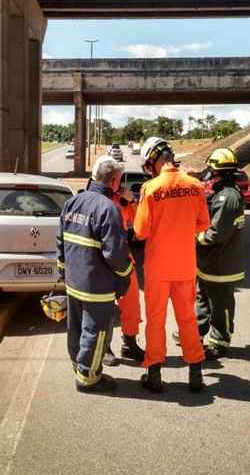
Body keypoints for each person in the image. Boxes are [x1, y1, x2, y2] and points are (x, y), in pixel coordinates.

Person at [134, 137, 210, 393]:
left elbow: (141, 231)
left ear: (155, 161)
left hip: (158, 268)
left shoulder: (151, 188)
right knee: (187, 319)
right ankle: (196, 372)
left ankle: (154, 374)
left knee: (156, 320)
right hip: (186, 265)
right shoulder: (195, 185)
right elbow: (203, 224)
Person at [57, 156, 133, 393]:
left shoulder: (74, 202)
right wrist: (126, 274)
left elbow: (61, 240)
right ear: (115, 180)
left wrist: (63, 269)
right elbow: (115, 254)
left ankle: (79, 367)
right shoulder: (107, 208)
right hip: (97, 286)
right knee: (96, 332)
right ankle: (89, 378)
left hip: (73, 281)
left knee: (76, 328)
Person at [195, 148, 245, 360]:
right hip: (209, 264)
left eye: (211, 171)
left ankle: (220, 342)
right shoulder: (220, 194)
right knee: (203, 300)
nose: (209, 175)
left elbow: (215, 233)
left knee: (221, 305)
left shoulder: (228, 197)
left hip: (221, 266)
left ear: (219, 173)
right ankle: (196, 332)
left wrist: (195, 237)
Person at [102, 183, 145, 366]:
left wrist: (133, 201)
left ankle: (129, 343)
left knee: (132, 304)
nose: (117, 184)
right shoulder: (99, 200)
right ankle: (104, 347)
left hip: (124, 258)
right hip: (102, 260)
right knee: (104, 307)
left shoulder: (124, 202)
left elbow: (140, 226)